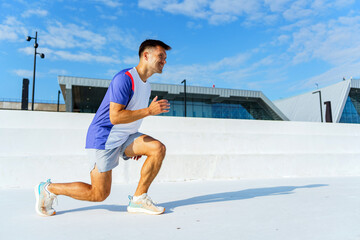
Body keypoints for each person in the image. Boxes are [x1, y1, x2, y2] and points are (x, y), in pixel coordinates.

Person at [35, 39, 171, 216]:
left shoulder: (147, 85)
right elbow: (115, 116)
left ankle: (138, 199)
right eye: (161, 56)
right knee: (98, 194)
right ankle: (48, 189)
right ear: (146, 55)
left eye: (165, 58)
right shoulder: (125, 79)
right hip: (103, 137)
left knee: (157, 149)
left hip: (124, 137)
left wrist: (133, 143)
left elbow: (131, 116)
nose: (164, 61)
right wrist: (148, 111)